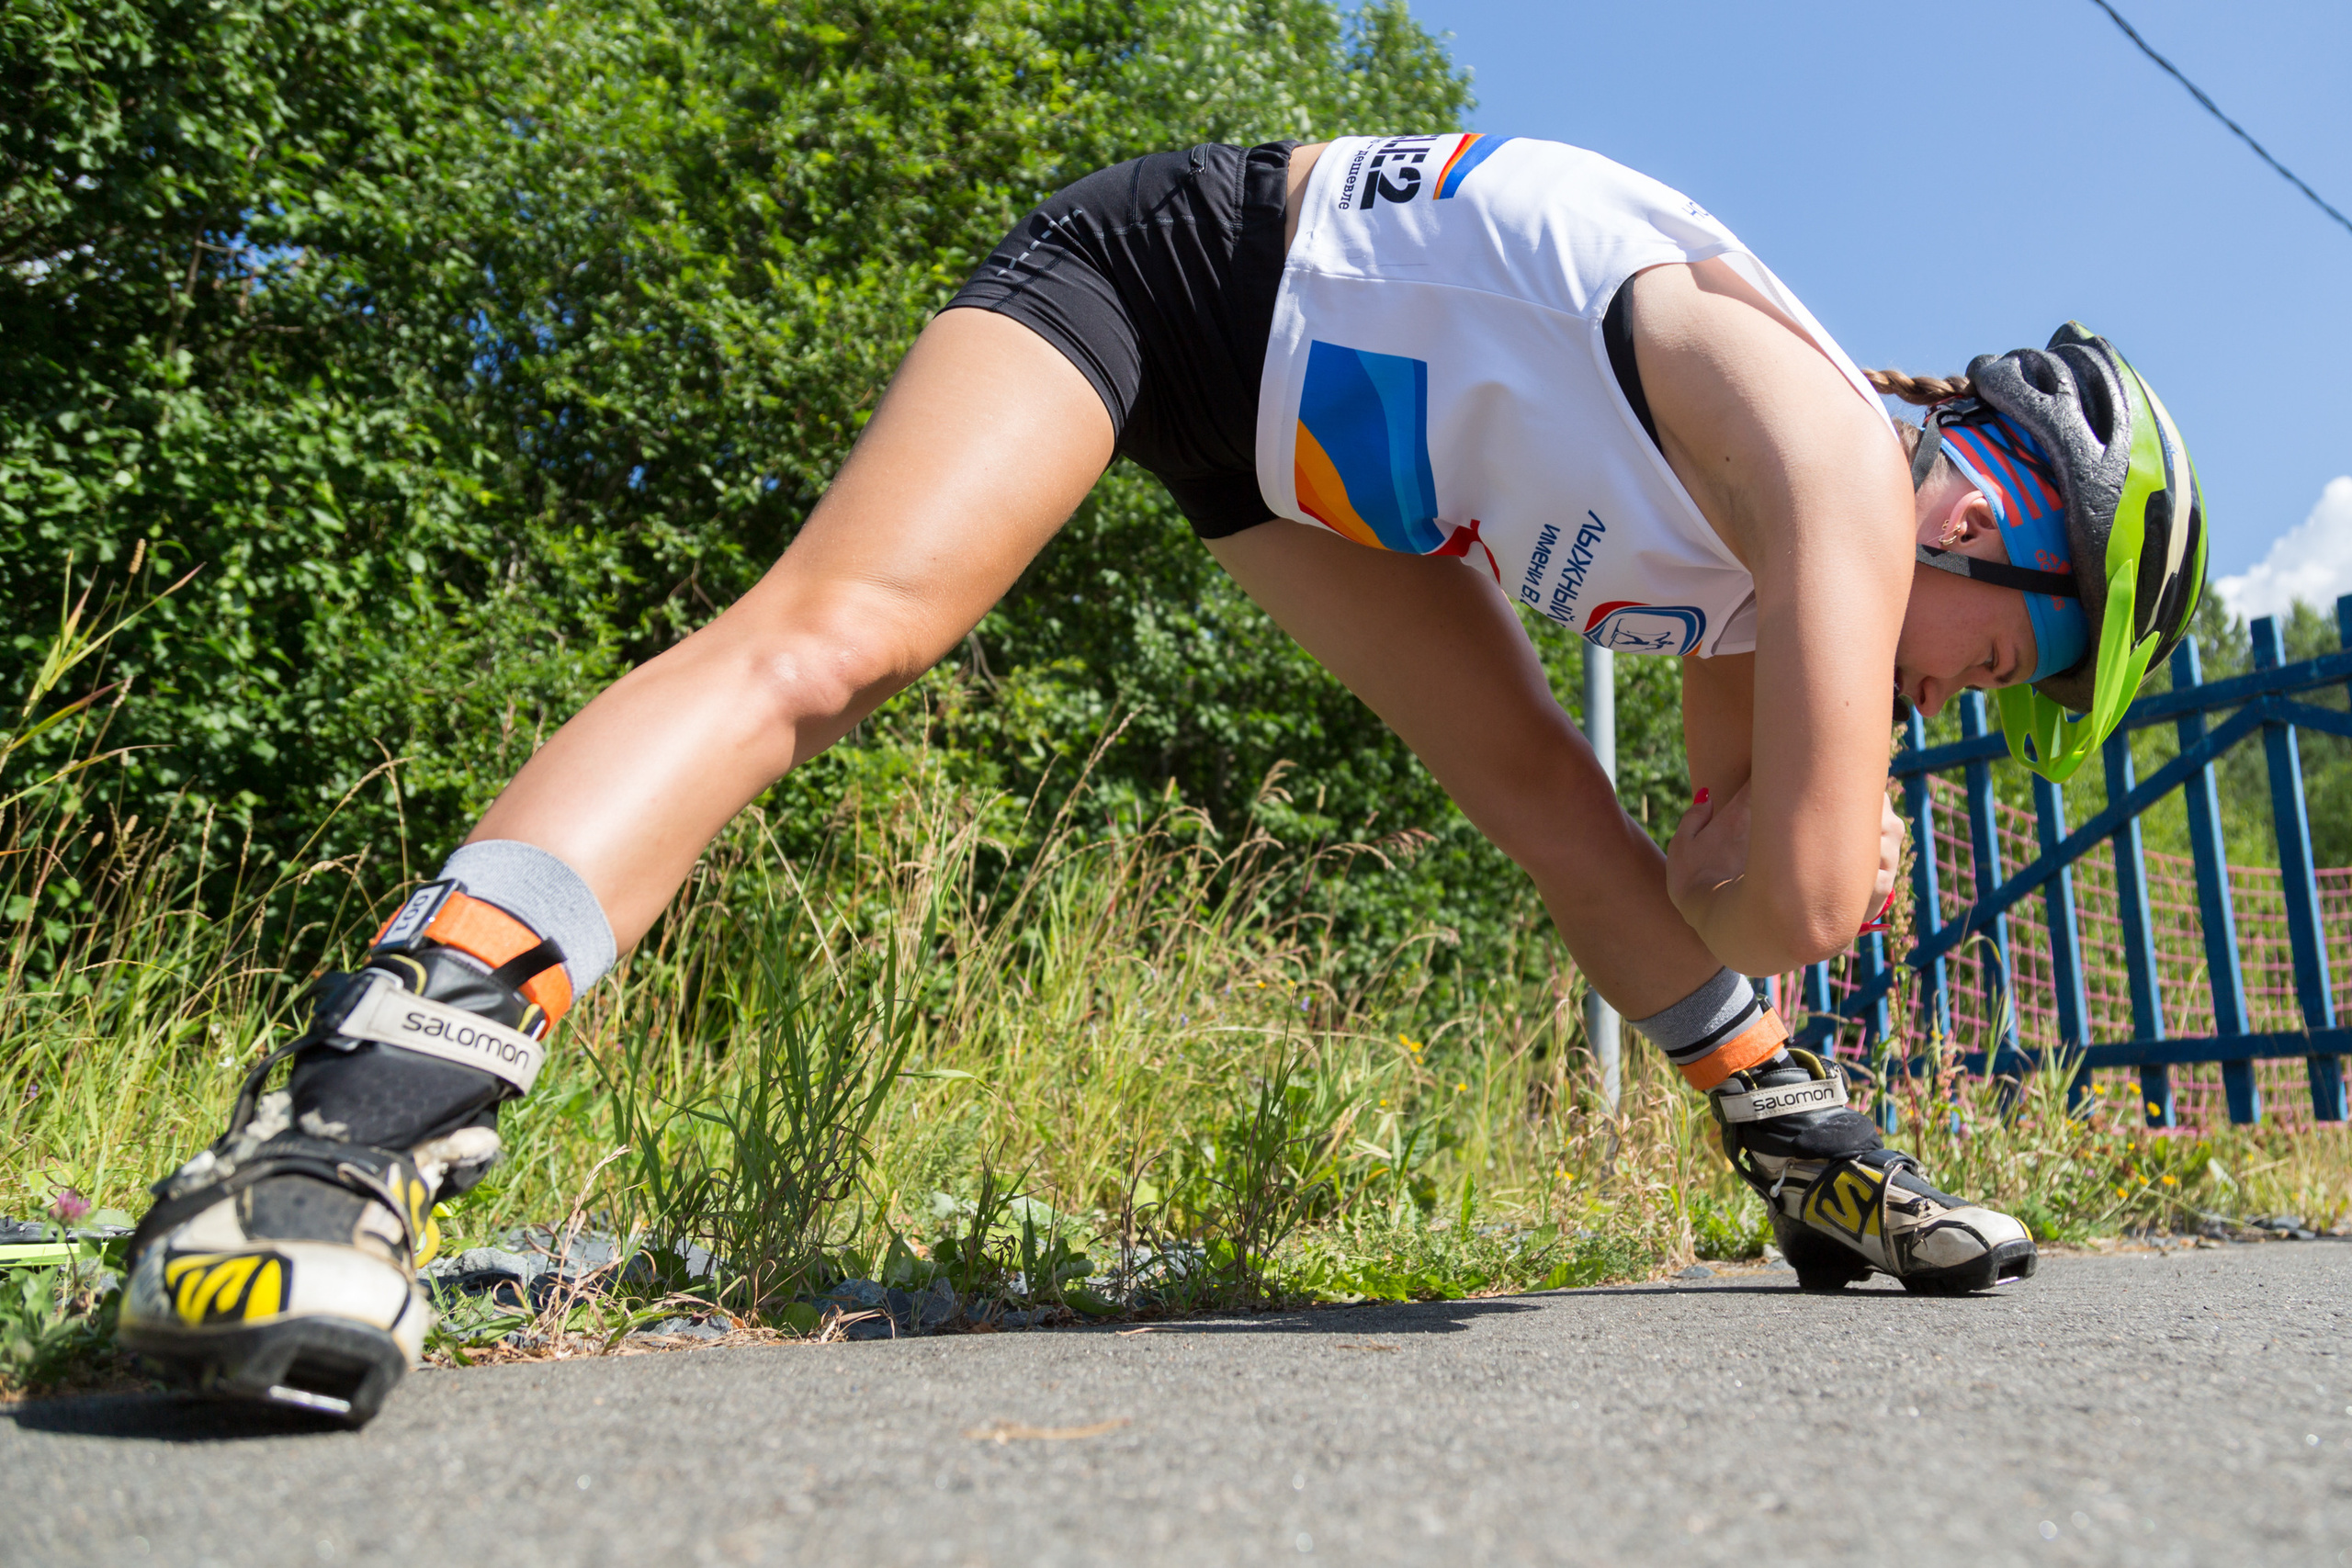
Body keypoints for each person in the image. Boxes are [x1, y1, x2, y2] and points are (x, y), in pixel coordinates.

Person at [118, 133, 2208, 1423]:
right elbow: (1794, 885)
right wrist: (1775, 849)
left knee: (1543, 817)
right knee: (844, 635)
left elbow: (1680, 864)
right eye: (1994, 665)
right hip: (1182, 267)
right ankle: (335, 1129)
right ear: (1988, 518)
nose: (1947, 700)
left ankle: (1787, 1139)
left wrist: (1749, 871)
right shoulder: (1832, 463)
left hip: (1318, 479)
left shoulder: (1773, 572)